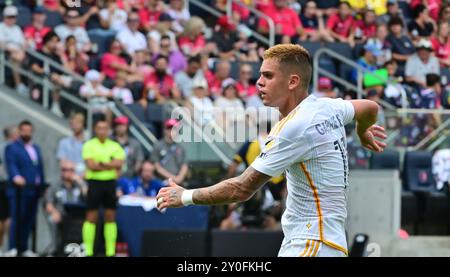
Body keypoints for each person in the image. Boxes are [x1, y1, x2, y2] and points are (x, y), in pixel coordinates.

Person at [156, 44, 387, 257]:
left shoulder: (294, 128)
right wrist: (363, 130)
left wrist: (185, 196)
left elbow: (242, 189)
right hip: (327, 243)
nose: (259, 82)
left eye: (268, 75)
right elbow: (370, 107)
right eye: (259, 75)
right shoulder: (329, 106)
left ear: (292, 81)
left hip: (309, 243)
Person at [82, 119, 125, 257]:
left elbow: (119, 163)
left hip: (110, 183)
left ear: (108, 130)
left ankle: (110, 252)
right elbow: (91, 165)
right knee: (91, 217)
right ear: (95, 130)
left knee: (110, 217)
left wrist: (100, 163)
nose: (102, 131)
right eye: (99, 128)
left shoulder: (115, 145)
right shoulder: (89, 145)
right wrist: (110, 164)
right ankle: (88, 251)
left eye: (105, 128)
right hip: (94, 183)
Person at [5, 121, 46, 257]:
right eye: (24, 130)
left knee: (29, 219)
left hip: (33, 189)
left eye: (29, 130)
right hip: (19, 190)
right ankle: (13, 247)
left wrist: (42, 184)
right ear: (20, 131)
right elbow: (11, 164)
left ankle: (24, 247)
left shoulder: (36, 148)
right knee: (17, 218)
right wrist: (16, 176)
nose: (26, 133)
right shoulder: (13, 147)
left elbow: (39, 167)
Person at [44, 160, 87, 256]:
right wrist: (54, 212)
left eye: (71, 170)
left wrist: (80, 181)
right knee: (52, 219)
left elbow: (89, 198)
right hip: (61, 214)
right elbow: (48, 203)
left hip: (79, 216)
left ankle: (84, 249)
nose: (67, 172)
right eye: (64, 170)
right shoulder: (55, 185)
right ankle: (56, 248)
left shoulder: (79, 184)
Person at [151, 119, 188, 186]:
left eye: (174, 129)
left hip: (177, 183)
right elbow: (156, 166)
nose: (171, 131)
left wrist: (179, 179)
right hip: (161, 182)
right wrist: (174, 179)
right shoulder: (158, 145)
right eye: (169, 128)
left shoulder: (181, 147)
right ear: (165, 130)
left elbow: (184, 166)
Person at [0, 126, 18, 256]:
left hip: (9, 185)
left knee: (7, 218)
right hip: (5, 184)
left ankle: (5, 247)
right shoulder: (6, 148)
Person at [56, 113, 87, 177]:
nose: (75, 126)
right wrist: (81, 168)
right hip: (69, 180)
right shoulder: (64, 142)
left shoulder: (89, 143)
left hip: (87, 181)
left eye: (77, 123)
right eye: (73, 124)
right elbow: (63, 164)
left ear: (83, 124)